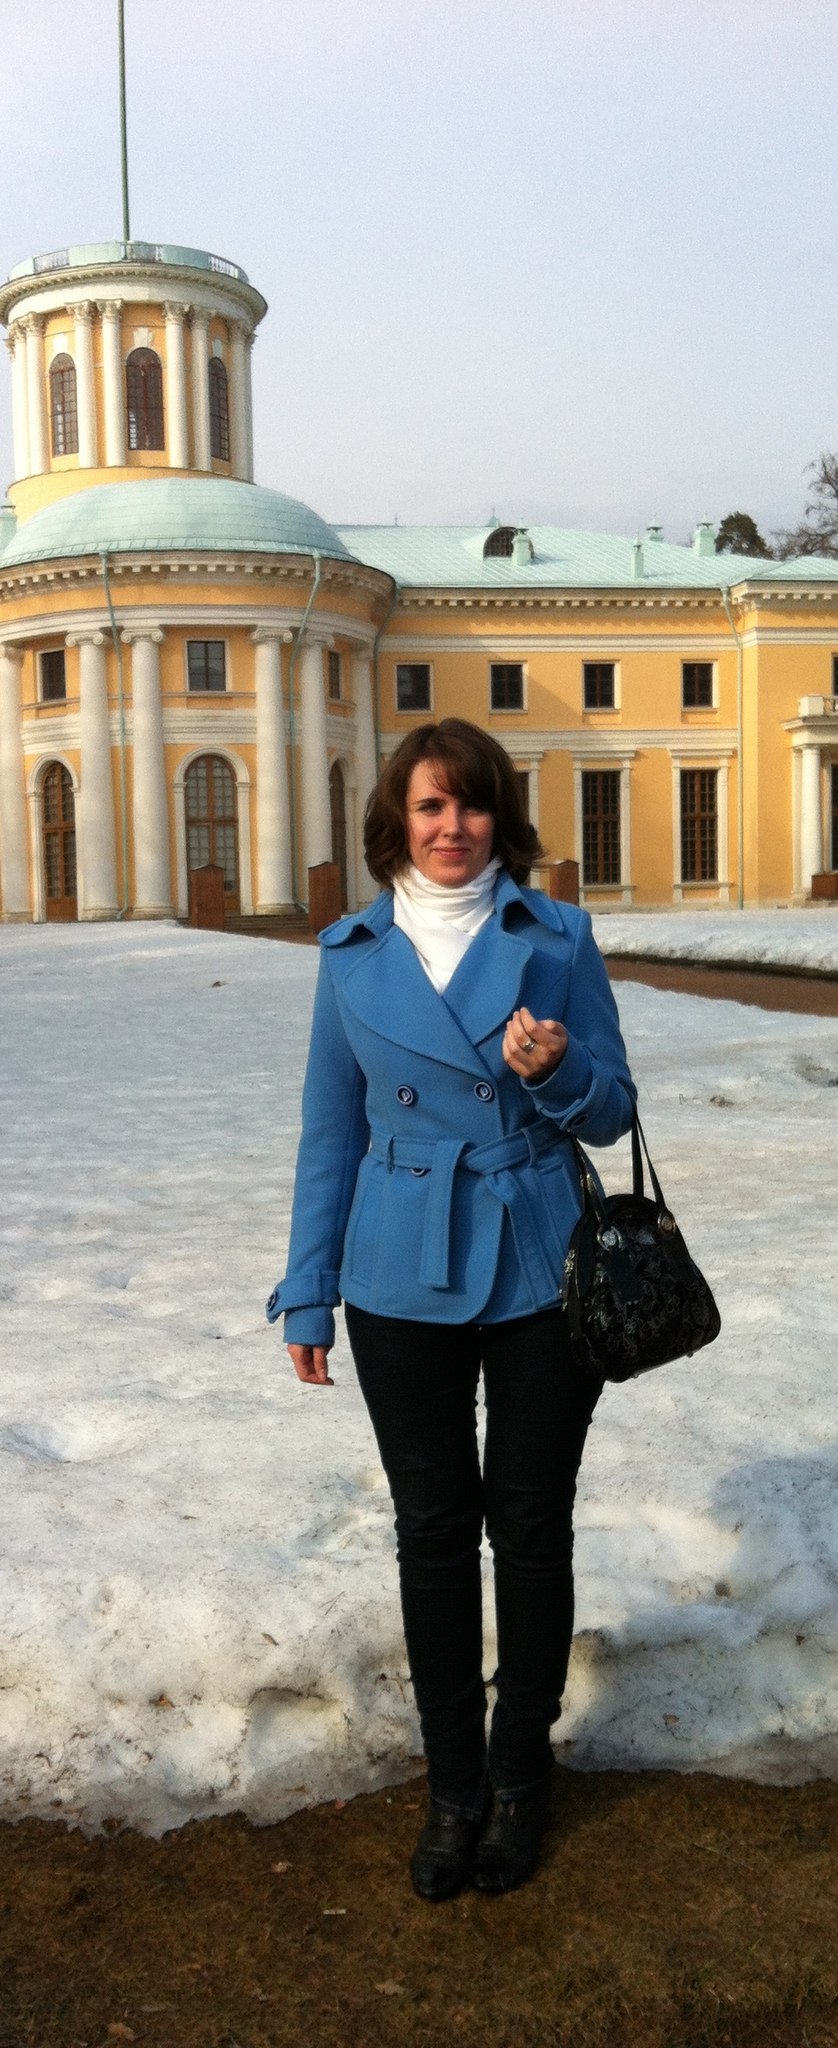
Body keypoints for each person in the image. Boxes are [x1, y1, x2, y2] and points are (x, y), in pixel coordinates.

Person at [266, 718, 635, 1900]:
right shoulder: (349, 953)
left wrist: (557, 1071)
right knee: (431, 1530)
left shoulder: (557, 936)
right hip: (396, 1270)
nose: (451, 826)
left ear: (499, 817)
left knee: (529, 1525)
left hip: (538, 1260)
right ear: (397, 818)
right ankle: (454, 1786)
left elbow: (614, 1109)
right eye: (430, 805)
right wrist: (308, 1289)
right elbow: (330, 1133)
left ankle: (520, 1776)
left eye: (472, 804)